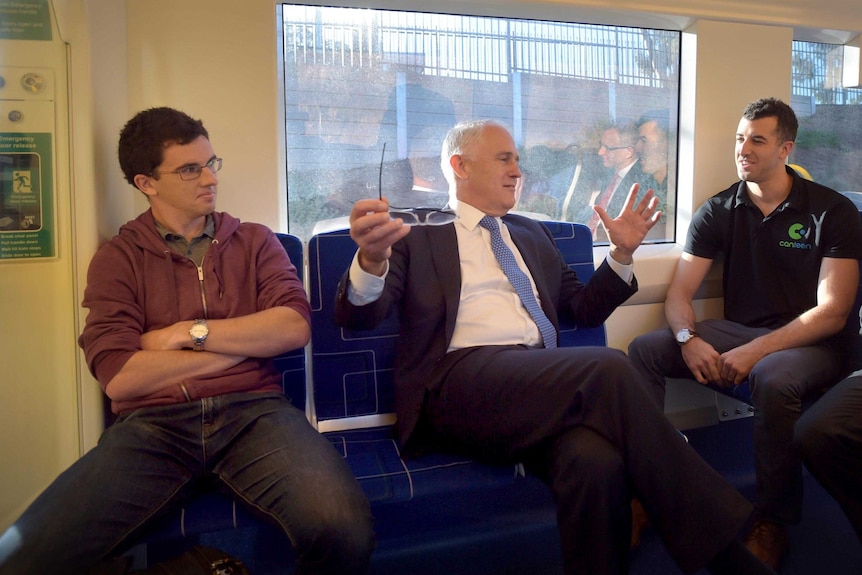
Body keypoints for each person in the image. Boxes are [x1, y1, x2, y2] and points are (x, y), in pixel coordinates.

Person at [334, 118, 776, 575]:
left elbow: (583, 309)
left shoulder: (532, 234)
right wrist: (370, 260)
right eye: (504, 158)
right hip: (458, 383)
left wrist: (621, 255)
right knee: (609, 367)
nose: (517, 170)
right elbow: (360, 315)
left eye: (518, 160)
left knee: (595, 461)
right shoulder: (415, 233)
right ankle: (731, 549)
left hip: (538, 384)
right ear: (459, 166)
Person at [0, 107, 375, 575]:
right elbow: (121, 377)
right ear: (147, 183)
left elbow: (293, 328)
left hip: (254, 413)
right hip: (152, 427)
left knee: (343, 527)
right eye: (189, 169)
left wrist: (185, 335)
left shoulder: (256, 241)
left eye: (210, 163)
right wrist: (246, 340)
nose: (209, 178)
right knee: (22, 557)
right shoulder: (118, 259)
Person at [628, 97, 862, 570]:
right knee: (643, 351)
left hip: (815, 343)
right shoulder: (719, 209)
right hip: (741, 331)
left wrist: (756, 351)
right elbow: (679, 295)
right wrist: (685, 339)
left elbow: (833, 312)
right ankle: (647, 493)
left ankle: (772, 521)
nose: (743, 149)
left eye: (757, 139)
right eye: (739, 138)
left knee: (773, 377)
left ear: (785, 149)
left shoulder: (831, 212)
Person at [583, 124, 654, 241]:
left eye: (608, 148)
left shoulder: (641, 184)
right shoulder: (611, 175)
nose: (600, 152)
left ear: (628, 152)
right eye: (601, 145)